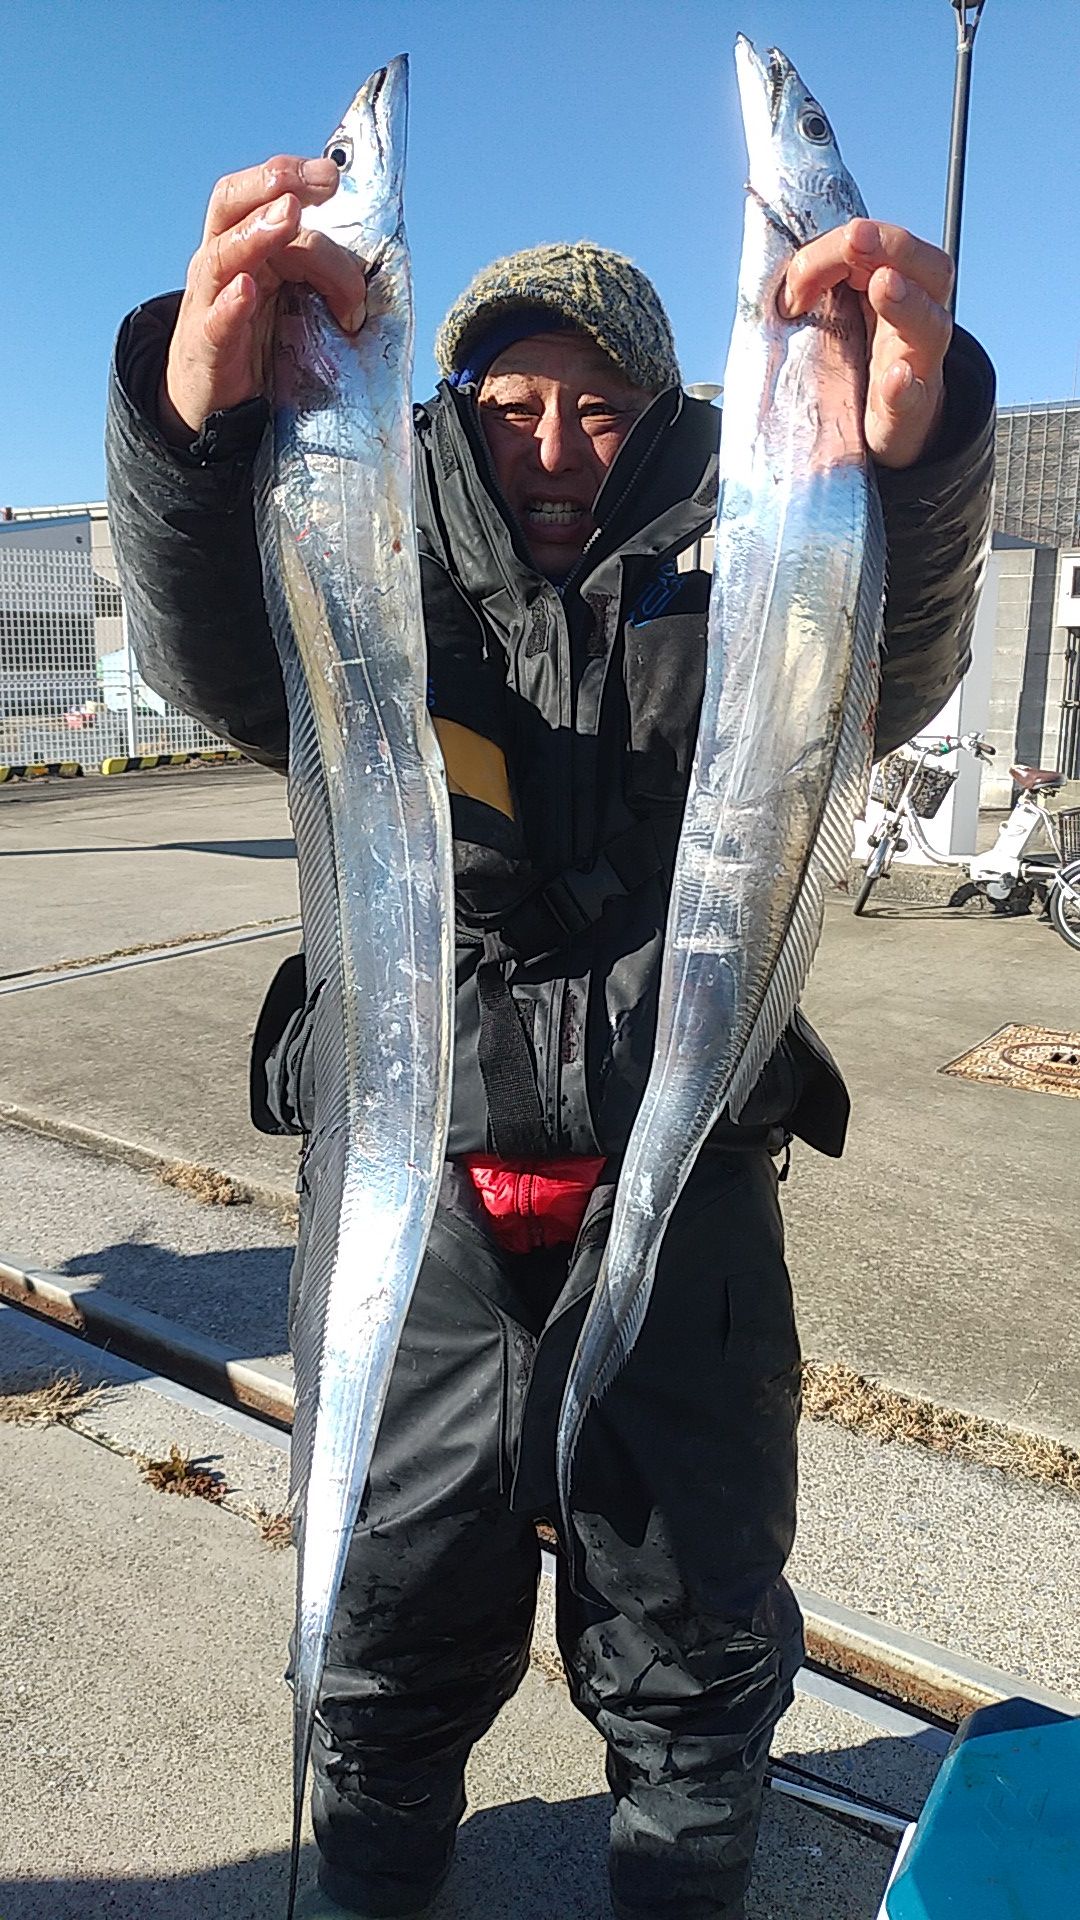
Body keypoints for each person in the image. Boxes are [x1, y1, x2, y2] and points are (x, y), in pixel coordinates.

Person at [105, 151, 994, 1920]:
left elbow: (884, 666)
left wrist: (922, 455)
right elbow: (211, 649)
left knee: (692, 1634)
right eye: (512, 405)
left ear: (663, 417)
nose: (554, 446)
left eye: (599, 408)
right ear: (452, 408)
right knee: (390, 1617)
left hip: (682, 1185)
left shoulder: (749, 563)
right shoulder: (360, 555)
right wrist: (185, 428)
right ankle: (362, 1880)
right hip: (418, 1185)